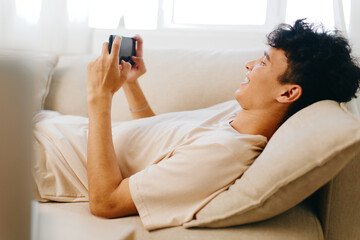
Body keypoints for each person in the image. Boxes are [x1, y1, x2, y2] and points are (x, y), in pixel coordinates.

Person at [33, 19, 360, 230]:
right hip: (45, 126)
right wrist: (131, 86)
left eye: (263, 62)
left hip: (34, 154)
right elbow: (157, 147)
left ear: (289, 92)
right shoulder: (237, 114)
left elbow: (106, 203)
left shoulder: (224, 155)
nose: (249, 65)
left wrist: (98, 98)